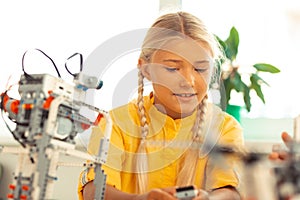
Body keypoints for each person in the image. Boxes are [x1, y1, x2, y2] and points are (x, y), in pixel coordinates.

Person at [78, 11, 244, 200]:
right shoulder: (115, 123)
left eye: (200, 69)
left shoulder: (225, 128)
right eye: (172, 68)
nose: (188, 81)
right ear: (146, 69)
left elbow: (230, 192)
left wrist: (207, 198)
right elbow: (93, 190)